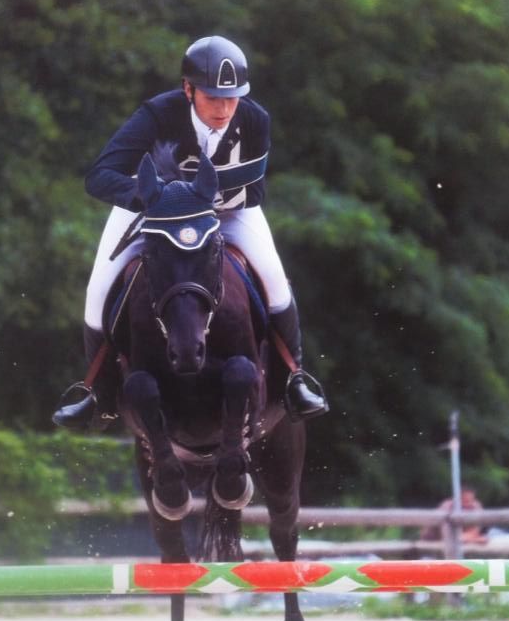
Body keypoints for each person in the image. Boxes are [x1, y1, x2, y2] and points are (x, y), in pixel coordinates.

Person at [53, 35, 328, 429]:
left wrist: (204, 202)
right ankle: (98, 392)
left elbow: (257, 190)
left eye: (232, 97)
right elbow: (99, 176)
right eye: (214, 97)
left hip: (227, 211)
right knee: (98, 289)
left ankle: (295, 379)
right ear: (188, 89)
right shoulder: (157, 114)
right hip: (155, 211)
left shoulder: (255, 119)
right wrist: (152, 198)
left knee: (274, 278)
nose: (225, 108)